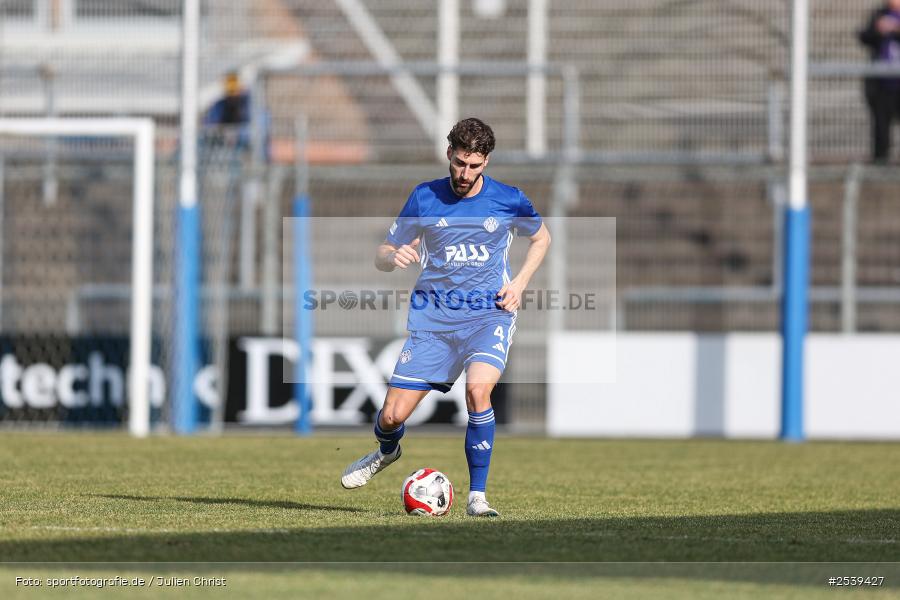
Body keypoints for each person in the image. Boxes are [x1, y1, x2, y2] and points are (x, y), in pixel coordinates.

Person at [340, 118, 551, 517]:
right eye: (459, 163)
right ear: (449, 154)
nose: (464, 174)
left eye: (474, 166)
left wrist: (520, 283)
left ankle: (478, 497)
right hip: (434, 321)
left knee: (478, 393)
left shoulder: (509, 199)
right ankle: (387, 451)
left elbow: (541, 237)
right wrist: (393, 256)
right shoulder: (424, 197)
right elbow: (383, 252)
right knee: (390, 416)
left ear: (485, 162)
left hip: (488, 315)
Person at [859, 0, 900, 163]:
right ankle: (880, 163)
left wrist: (895, 29)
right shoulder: (879, 14)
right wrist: (878, 29)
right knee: (881, 125)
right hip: (882, 84)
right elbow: (864, 37)